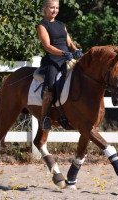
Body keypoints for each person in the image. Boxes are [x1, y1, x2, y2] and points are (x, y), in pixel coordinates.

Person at [36, 0, 83, 131]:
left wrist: (76, 50)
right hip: (52, 59)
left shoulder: (61, 24)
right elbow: (47, 46)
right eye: (52, 8)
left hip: (67, 58)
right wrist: (63, 53)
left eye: (57, 8)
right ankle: (44, 117)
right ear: (45, 8)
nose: (55, 10)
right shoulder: (42, 25)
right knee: (50, 87)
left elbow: (69, 42)